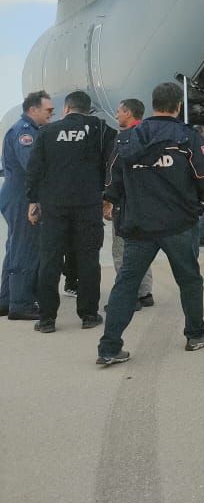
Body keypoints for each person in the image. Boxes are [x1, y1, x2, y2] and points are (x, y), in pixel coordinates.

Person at [98, 82, 204, 366]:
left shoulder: (127, 139)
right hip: (178, 224)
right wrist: (200, 207)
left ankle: (109, 348)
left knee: (126, 284)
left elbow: (113, 179)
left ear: (153, 104)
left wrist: (110, 202)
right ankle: (195, 334)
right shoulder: (188, 137)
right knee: (189, 280)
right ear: (178, 106)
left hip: (138, 225)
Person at [26, 90, 115, 333]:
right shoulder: (101, 130)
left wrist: (33, 201)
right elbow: (114, 165)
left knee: (50, 261)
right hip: (88, 206)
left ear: (66, 108)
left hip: (54, 207)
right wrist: (109, 197)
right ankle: (88, 315)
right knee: (88, 260)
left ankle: (47, 319)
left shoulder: (47, 132)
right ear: (88, 109)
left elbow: (34, 170)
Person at [0, 91, 54, 320]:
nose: (51, 115)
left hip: (16, 195)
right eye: (48, 110)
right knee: (26, 248)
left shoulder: (27, 130)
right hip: (23, 197)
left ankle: (6, 300)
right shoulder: (25, 133)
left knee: (15, 247)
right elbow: (32, 167)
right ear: (33, 110)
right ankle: (21, 304)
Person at [107, 98, 155, 309]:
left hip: (126, 205)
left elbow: (113, 174)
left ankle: (128, 296)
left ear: (128, 113)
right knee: (142, 249)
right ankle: (145, 293)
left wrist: (108, 200)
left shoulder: (123, 140)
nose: (116, 114)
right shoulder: (152, 136)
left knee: (122, 250)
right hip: (149, 205)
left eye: (119, 111)